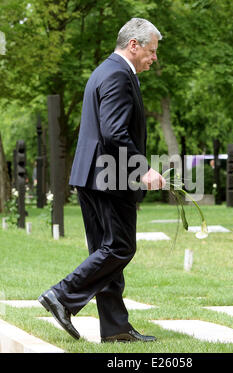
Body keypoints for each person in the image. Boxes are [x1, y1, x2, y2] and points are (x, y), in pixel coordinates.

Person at [38, 18, 166, 343]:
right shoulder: (118, 75)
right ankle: (62, 296)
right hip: (110, 177)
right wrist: (143, 169)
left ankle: (116, 327)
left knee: (106, 252)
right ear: (133, 45)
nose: (154, 58)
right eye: (151, 51)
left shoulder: (105, 70)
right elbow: (114, 132)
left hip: (93, 176)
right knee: (120, 247)